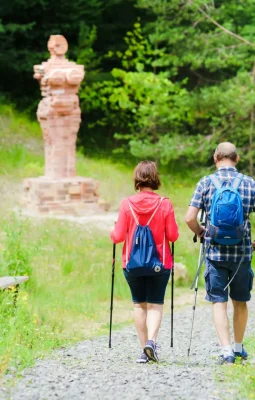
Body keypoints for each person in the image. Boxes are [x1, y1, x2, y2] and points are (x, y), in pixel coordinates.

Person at [185, 142, 255, 365]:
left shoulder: (206, 182)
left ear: (216, 158)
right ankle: (238, 348)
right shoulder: (249, 183)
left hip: (215, 254)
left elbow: (189, 218)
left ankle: (225, 352)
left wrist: (201, 233)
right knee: (241, 301)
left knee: (219, 302)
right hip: (242, 253)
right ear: (237, 158)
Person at [110, 161, 179, 363]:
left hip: (132, 264)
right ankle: (151, 342)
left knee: (139, 305)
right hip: (160, 263)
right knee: (155, 304)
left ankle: (144, 350)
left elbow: (118, 237)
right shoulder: (164, 203)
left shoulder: (126, 204)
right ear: (155, 178)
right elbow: (173, 236)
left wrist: (111, 231)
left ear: (137, 178)